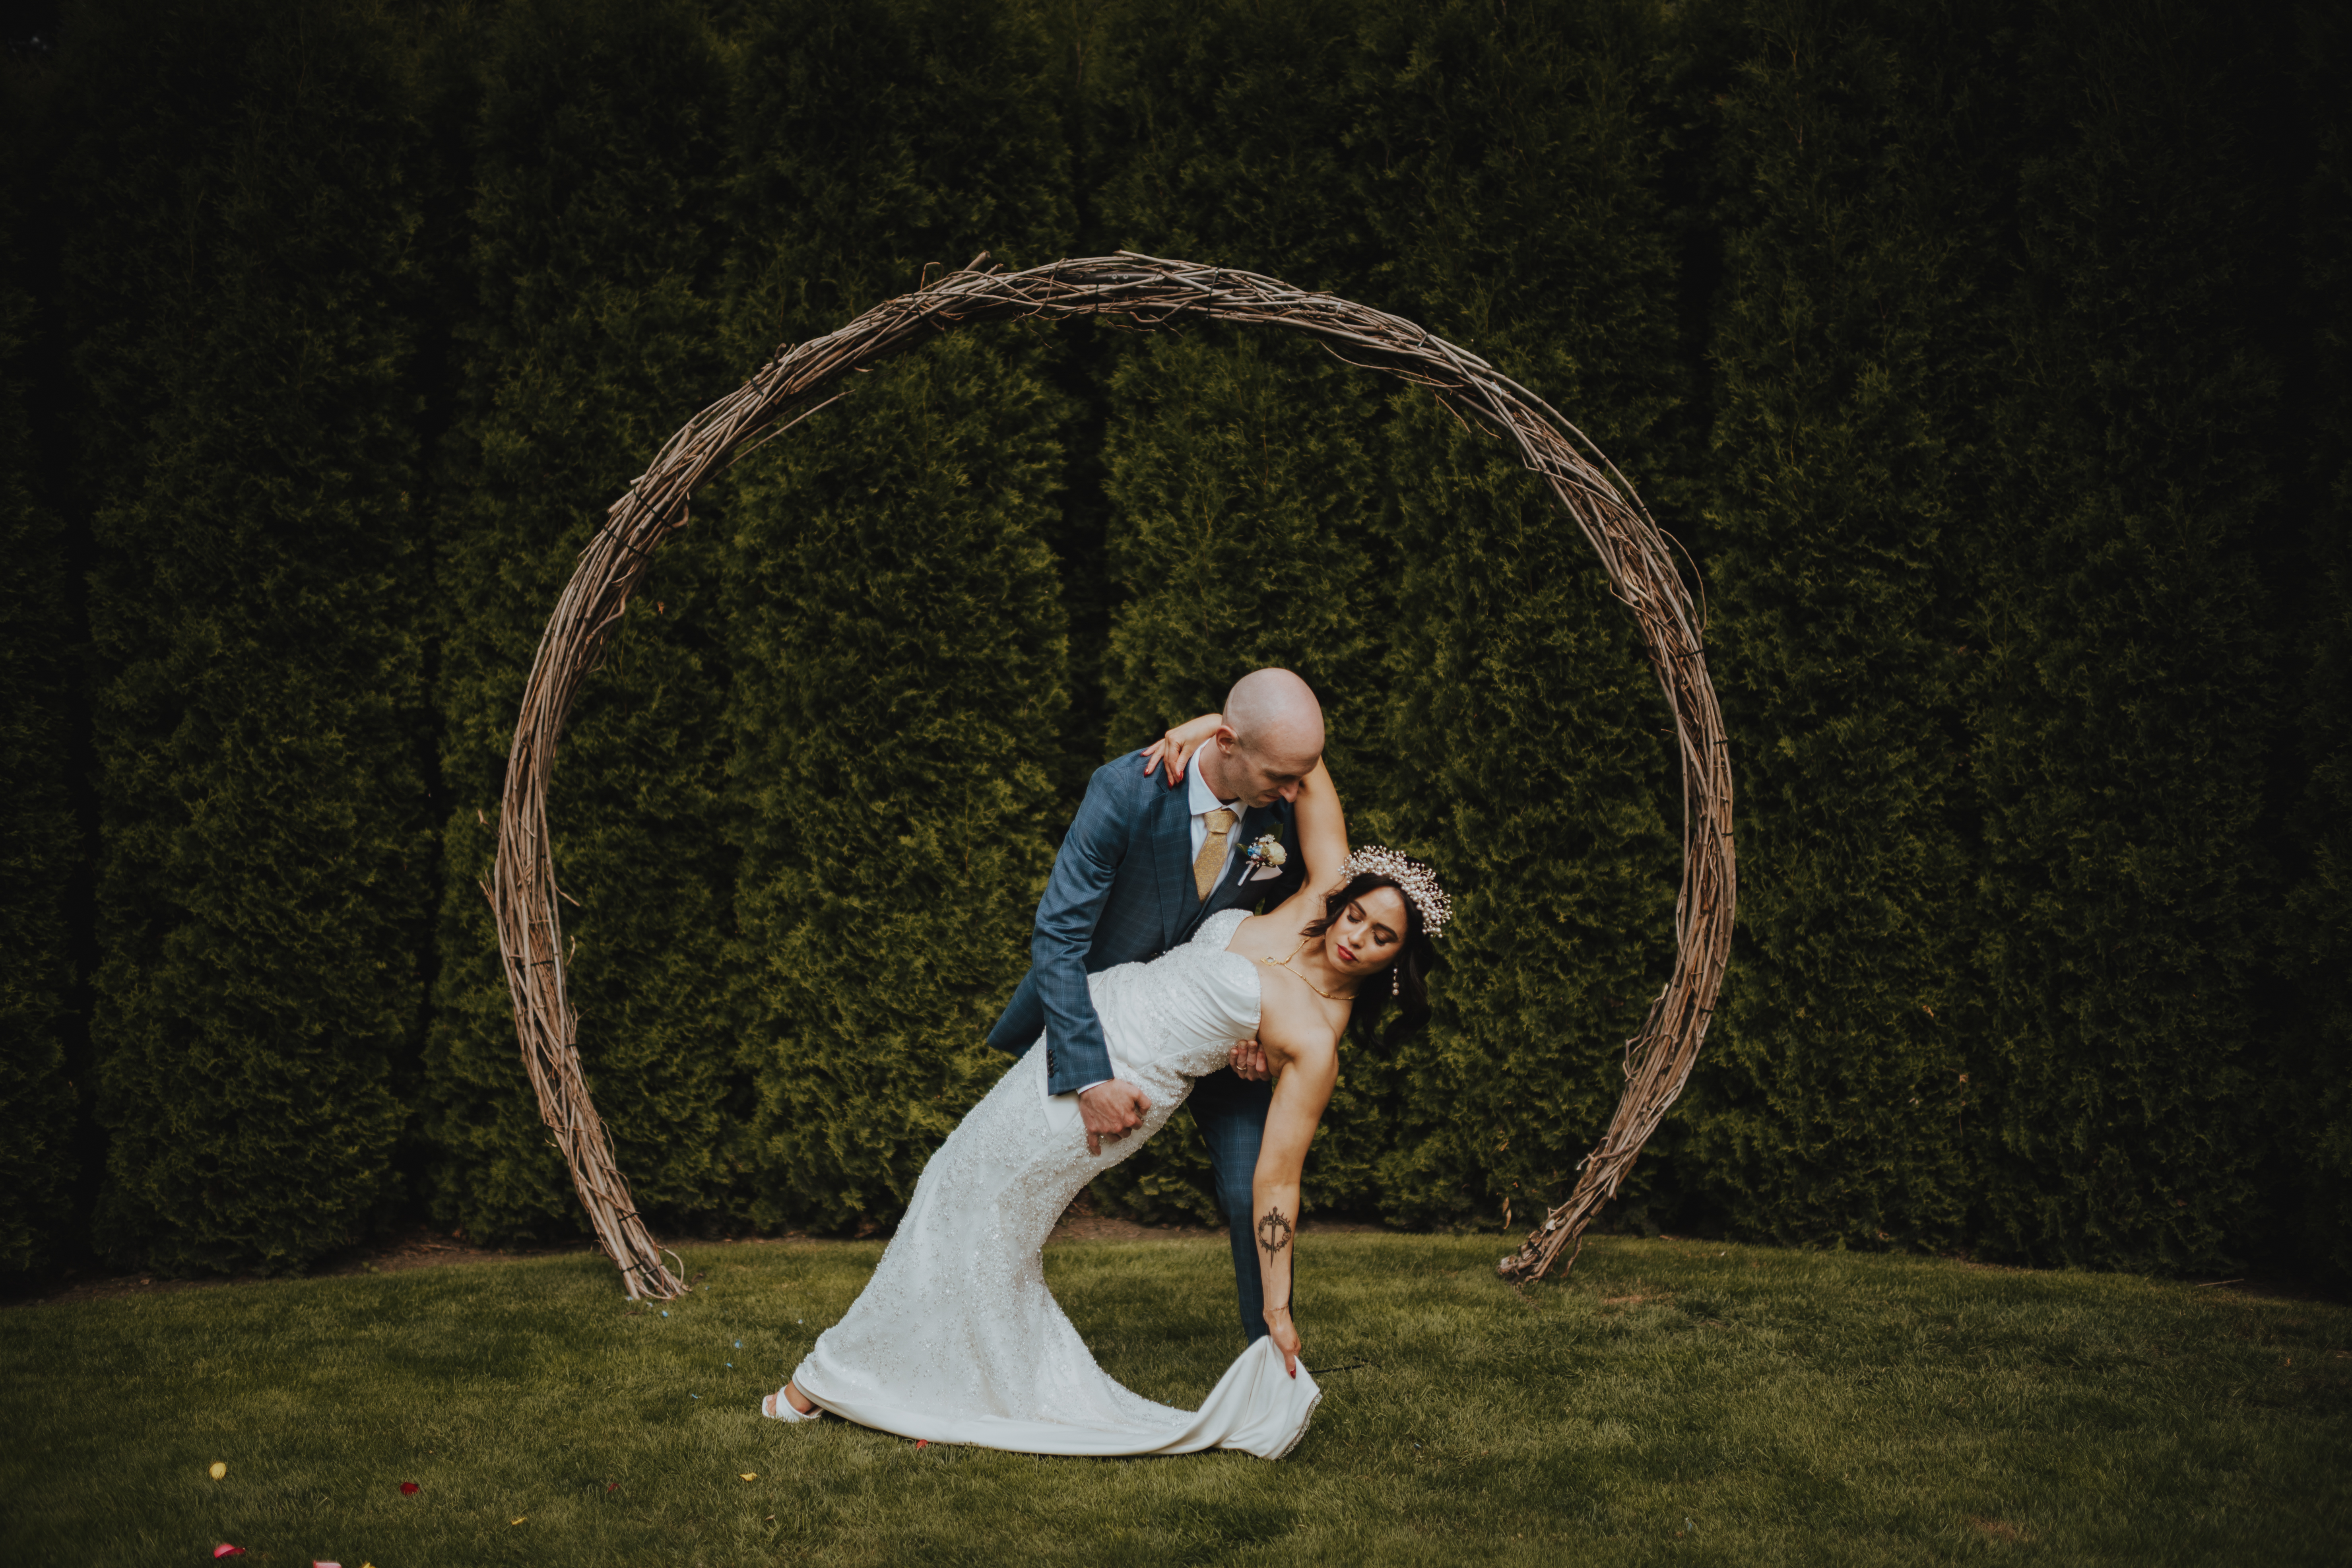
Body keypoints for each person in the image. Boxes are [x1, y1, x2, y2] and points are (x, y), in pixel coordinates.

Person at [759, 692, 1450, 1459]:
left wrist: (1281, 1305)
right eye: (1361, 916)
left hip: (1126, 1088)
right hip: (1090, 1023)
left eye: (1383, 937)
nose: (1358, 935)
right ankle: (947, 1370)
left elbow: (1277, 1181)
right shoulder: (1313, 900)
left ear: (1399, 965)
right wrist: (1202, 731)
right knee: (961, 1192)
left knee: (976, 1201)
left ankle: (826, 1379)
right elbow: (1305, 762)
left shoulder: (1318, 1037)